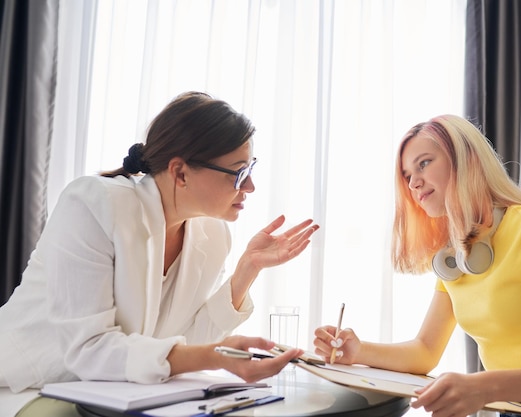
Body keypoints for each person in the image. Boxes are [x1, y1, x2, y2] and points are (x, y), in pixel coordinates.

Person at [0, 91, 319, 396]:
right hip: (23, 386)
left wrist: (247, 269)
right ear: (180, 173)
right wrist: (215, 358)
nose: (250, 186)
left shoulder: (213, 235)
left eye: (250, 169)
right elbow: (89, 349)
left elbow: (181, 343)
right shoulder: (93, 205)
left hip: (110, 393)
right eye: (238, 173)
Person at [314, 114, 521, 417]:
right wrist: (359, 351)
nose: (414, 182)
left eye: (424, 163)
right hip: (509, 410)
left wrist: (484, 386)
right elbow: (425, 350)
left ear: (465, 160)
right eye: (406, 175)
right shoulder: (456, 256)